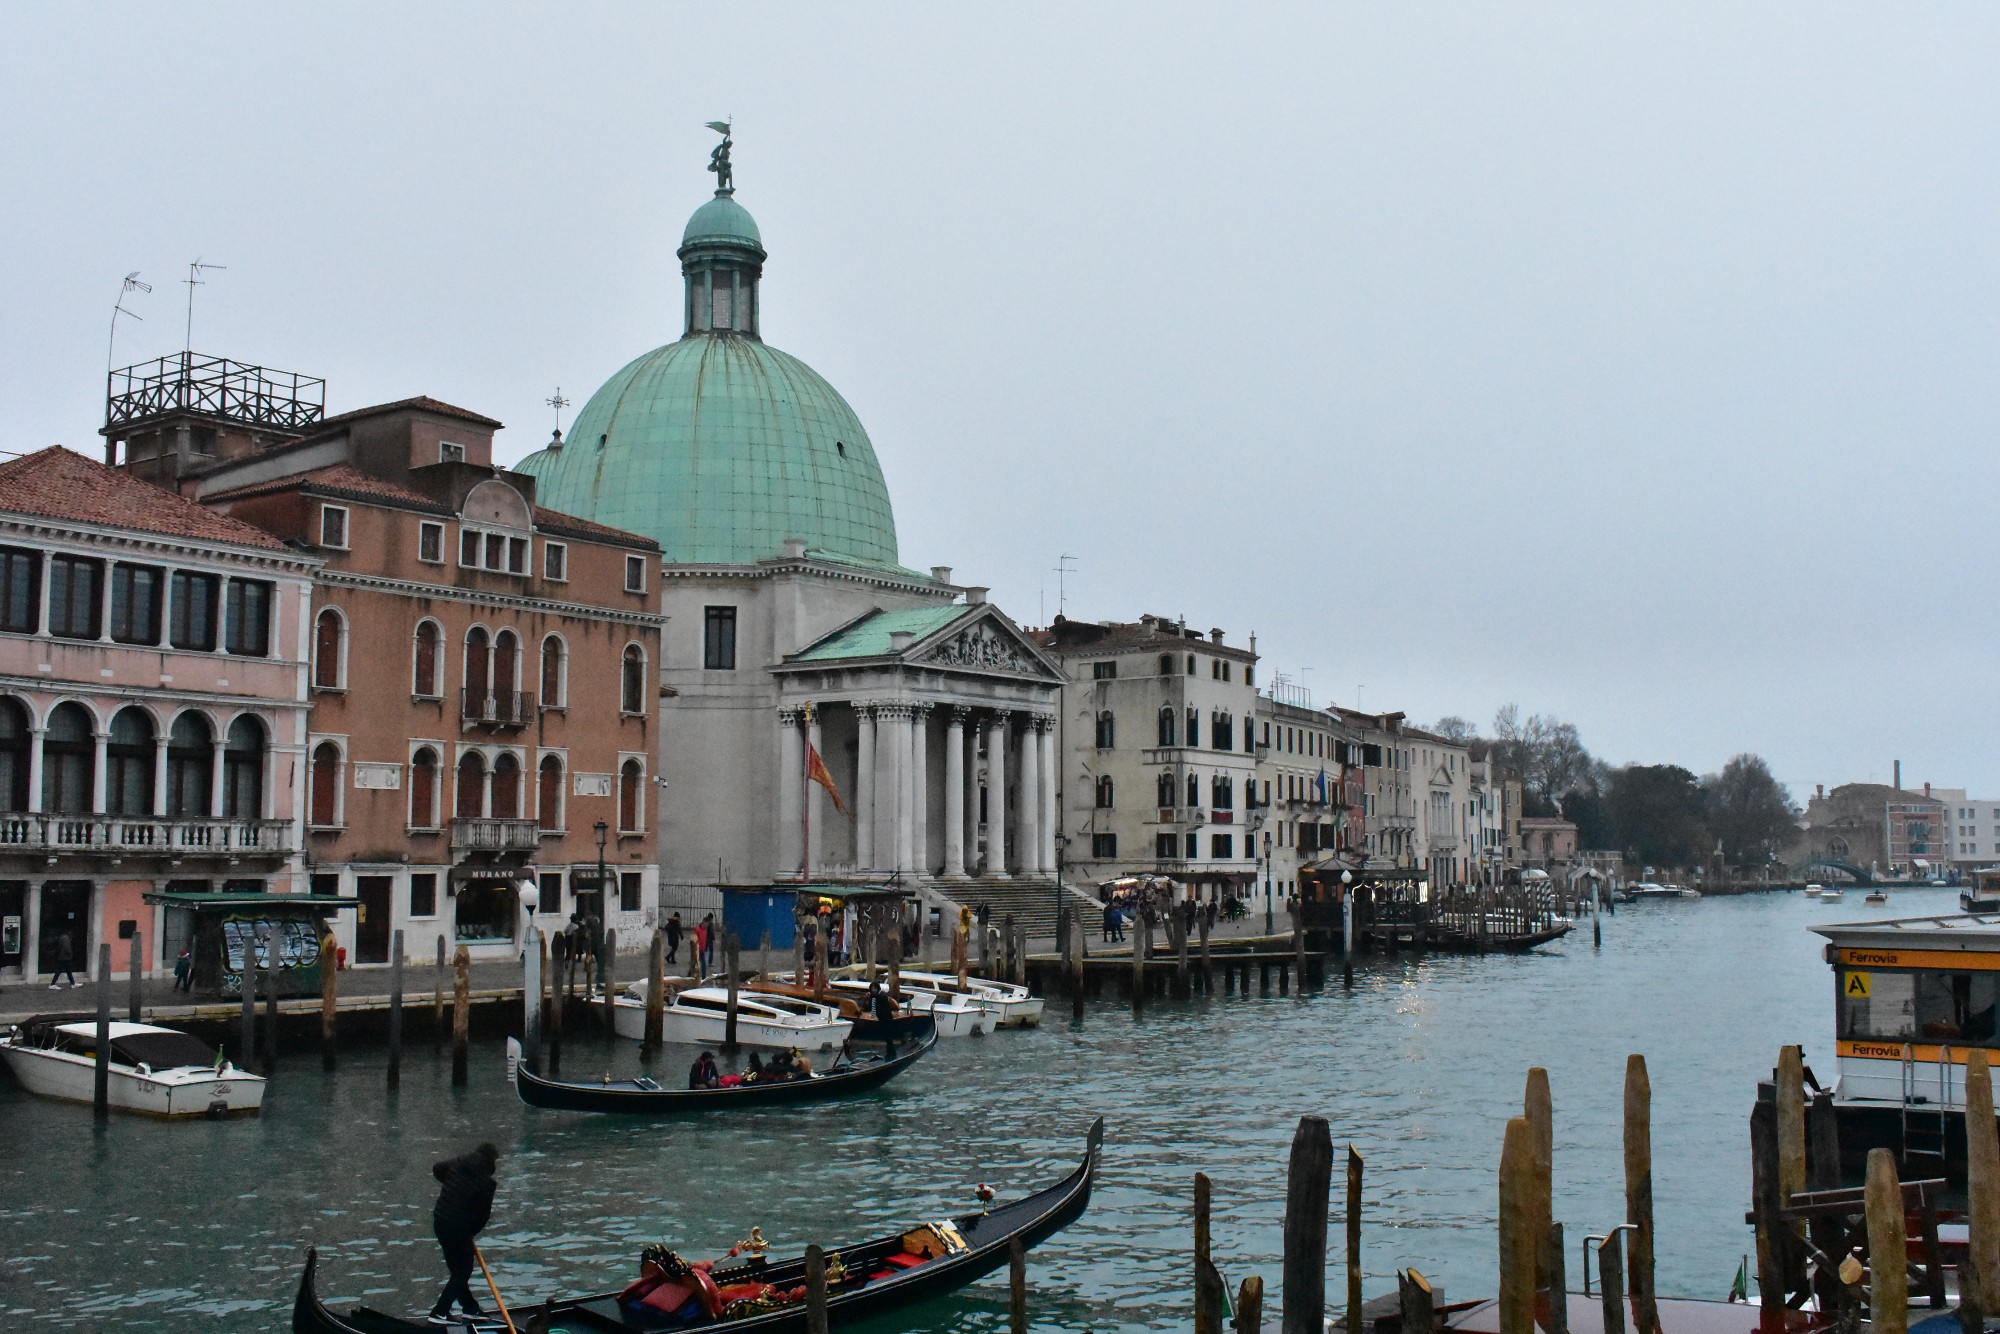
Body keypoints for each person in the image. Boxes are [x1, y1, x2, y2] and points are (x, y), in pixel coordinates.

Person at [428, 1142, 499, 1323]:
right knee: (463, 1270)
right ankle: (439, 1312)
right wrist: (471, 1232)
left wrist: (453, 1185)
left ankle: (470, 1308)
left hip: (440, 1220)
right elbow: (483, 1216)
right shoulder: (487, 1183)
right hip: (458, 1227)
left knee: (457, 1270)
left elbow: (438, 1168)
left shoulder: (458, 1163)